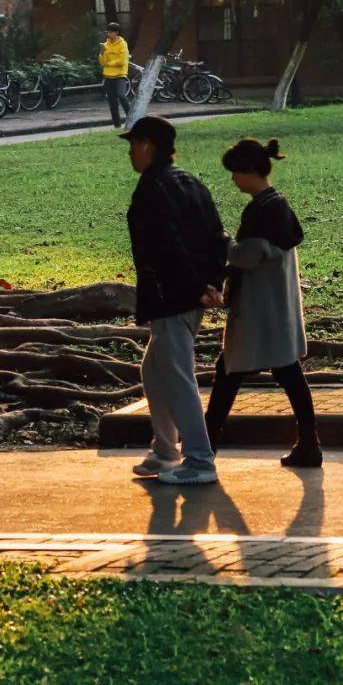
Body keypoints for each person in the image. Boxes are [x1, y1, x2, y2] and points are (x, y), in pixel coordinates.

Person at [205, 136, 322, 469]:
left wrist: (223, 241)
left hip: (259, 310)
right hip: (275, 307)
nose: (233, 179)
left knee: (229, 372)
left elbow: (249, 256)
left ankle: (204, 447)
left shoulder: (263, 210)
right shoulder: (276, 204)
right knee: (286, 373)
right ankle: (309, 443)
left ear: (250, 171)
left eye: (235, 172)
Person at [124, 114, 227, 486]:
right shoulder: (191, 182)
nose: (130, 153)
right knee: (154, 370)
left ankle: (199, 460)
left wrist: (197, 285)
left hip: (171, 296)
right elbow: (218, 236)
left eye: (133, 145)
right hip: (190, 294)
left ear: (147, 145)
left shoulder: (153, 189)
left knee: (179, 377)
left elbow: (167, 246)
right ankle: (166, 449)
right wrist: (212, 283)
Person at [99, 21, 131, 128]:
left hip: (120, 75)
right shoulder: (105, 45)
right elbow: (102, 63)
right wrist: (102, 54)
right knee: (112, 102)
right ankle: (117, 126)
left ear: (116, 33)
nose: (108, 34)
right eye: (107, 32)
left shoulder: (123, 44)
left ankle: (133, 119)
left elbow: (122, 61)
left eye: (111, 32)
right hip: (108, 76)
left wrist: (109, 63)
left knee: (122, 96)